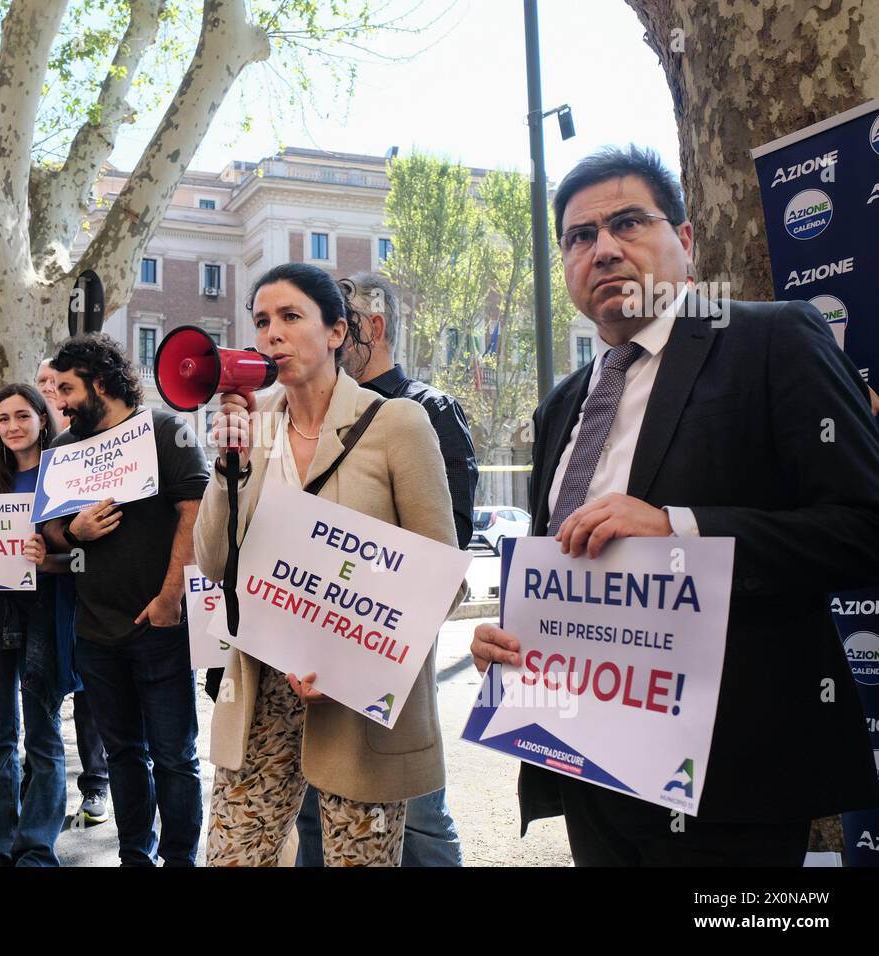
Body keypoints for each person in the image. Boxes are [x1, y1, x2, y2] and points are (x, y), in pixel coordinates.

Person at [470, 146, 879, 865]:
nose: (603, 250)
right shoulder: (560, 407)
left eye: (627, 223)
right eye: (579, 237)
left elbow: (865, 526)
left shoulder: (772, 340)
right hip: (584, 764)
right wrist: (508, 641)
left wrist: (677, 530)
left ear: (685, 242)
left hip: (730, 780)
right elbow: (556, 569)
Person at [195, 263, 461, 866]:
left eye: (291, 317)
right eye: (262, 322)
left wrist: (339, 660)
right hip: (262, 688)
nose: (272, 336)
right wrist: (228, 465)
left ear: (338, 332)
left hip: (356, 697)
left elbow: (443, 580)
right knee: (233, 855)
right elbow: (215, 564)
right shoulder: (253, 425)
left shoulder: (397, 423)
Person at [290, 271, 476, 868]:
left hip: (386, 658)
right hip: (310, 660)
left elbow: (448, 547)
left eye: (334, 320)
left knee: (419, 821)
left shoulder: (424, 410)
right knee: (313, 816)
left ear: (370, 327)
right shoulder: (300, 416)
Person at [44, 334, 207, 866]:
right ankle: (136, 855)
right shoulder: (65, 448)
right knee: (123, 755)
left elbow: (195, 512)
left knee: (174, 758)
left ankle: (180, 859)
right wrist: (76, 530)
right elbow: (49, 529)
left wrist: (169, 599)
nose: (60, 401)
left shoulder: (164, 430)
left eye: (67, 388)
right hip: (94, 632)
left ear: (98, 380)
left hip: (159, 627)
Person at [0, 384, 72, 865]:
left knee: (43, 734)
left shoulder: (64, 477)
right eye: (3, 419)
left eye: (23, 415)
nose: (13, 426)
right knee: (0, 735)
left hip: (43, 611)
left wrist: (53, 560)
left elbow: (83, 557)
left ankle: (36, 847)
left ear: (43, 419)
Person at [36, 357, 109, 825]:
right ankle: (40, 781)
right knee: (44, 689)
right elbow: (48, 529)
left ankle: (95, 785)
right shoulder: (29, 445)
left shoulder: (98, 443)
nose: (50, 390)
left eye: (58, 384)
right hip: (46, 594)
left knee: (93, 696)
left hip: (93, 589)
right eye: (43, 382)